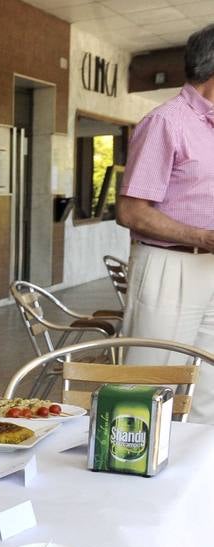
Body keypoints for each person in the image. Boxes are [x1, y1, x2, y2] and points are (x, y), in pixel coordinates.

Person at [117, 23, 214, 424]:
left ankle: (200, 482)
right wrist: (203, 237)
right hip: (168, 266)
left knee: (208, 387)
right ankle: (131, 476)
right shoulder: (166, 122)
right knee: (150, 387)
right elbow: (131, 211)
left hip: (210, 266)